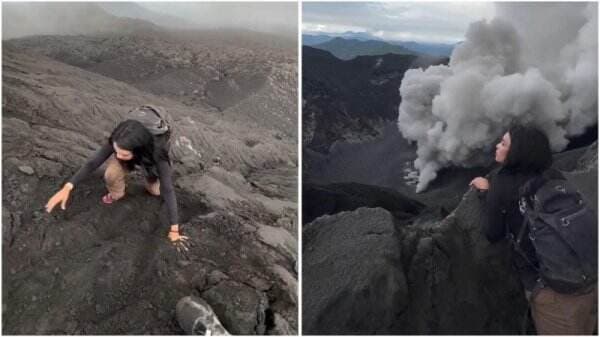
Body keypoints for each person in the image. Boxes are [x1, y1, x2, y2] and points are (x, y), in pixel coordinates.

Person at [470, 124, 597, 334]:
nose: (497, 146)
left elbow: (493, 234)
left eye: (503, 143)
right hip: (589, 276)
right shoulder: (553, 175)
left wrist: (486, 193)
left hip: (553, 291)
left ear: (517, 151)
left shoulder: (502, 185)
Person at [45, 119, 189, 249]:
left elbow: (168, 189)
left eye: (124, 154)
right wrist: (67, 187)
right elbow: (93, 163)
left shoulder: (157, 152)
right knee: (111, 174)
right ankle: (116, 193)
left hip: (148, 158)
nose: (119, 156)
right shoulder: (120, 139)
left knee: (156, 191)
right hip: (134, 152)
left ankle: (149, 177)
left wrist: (174, 230)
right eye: (116, 152)